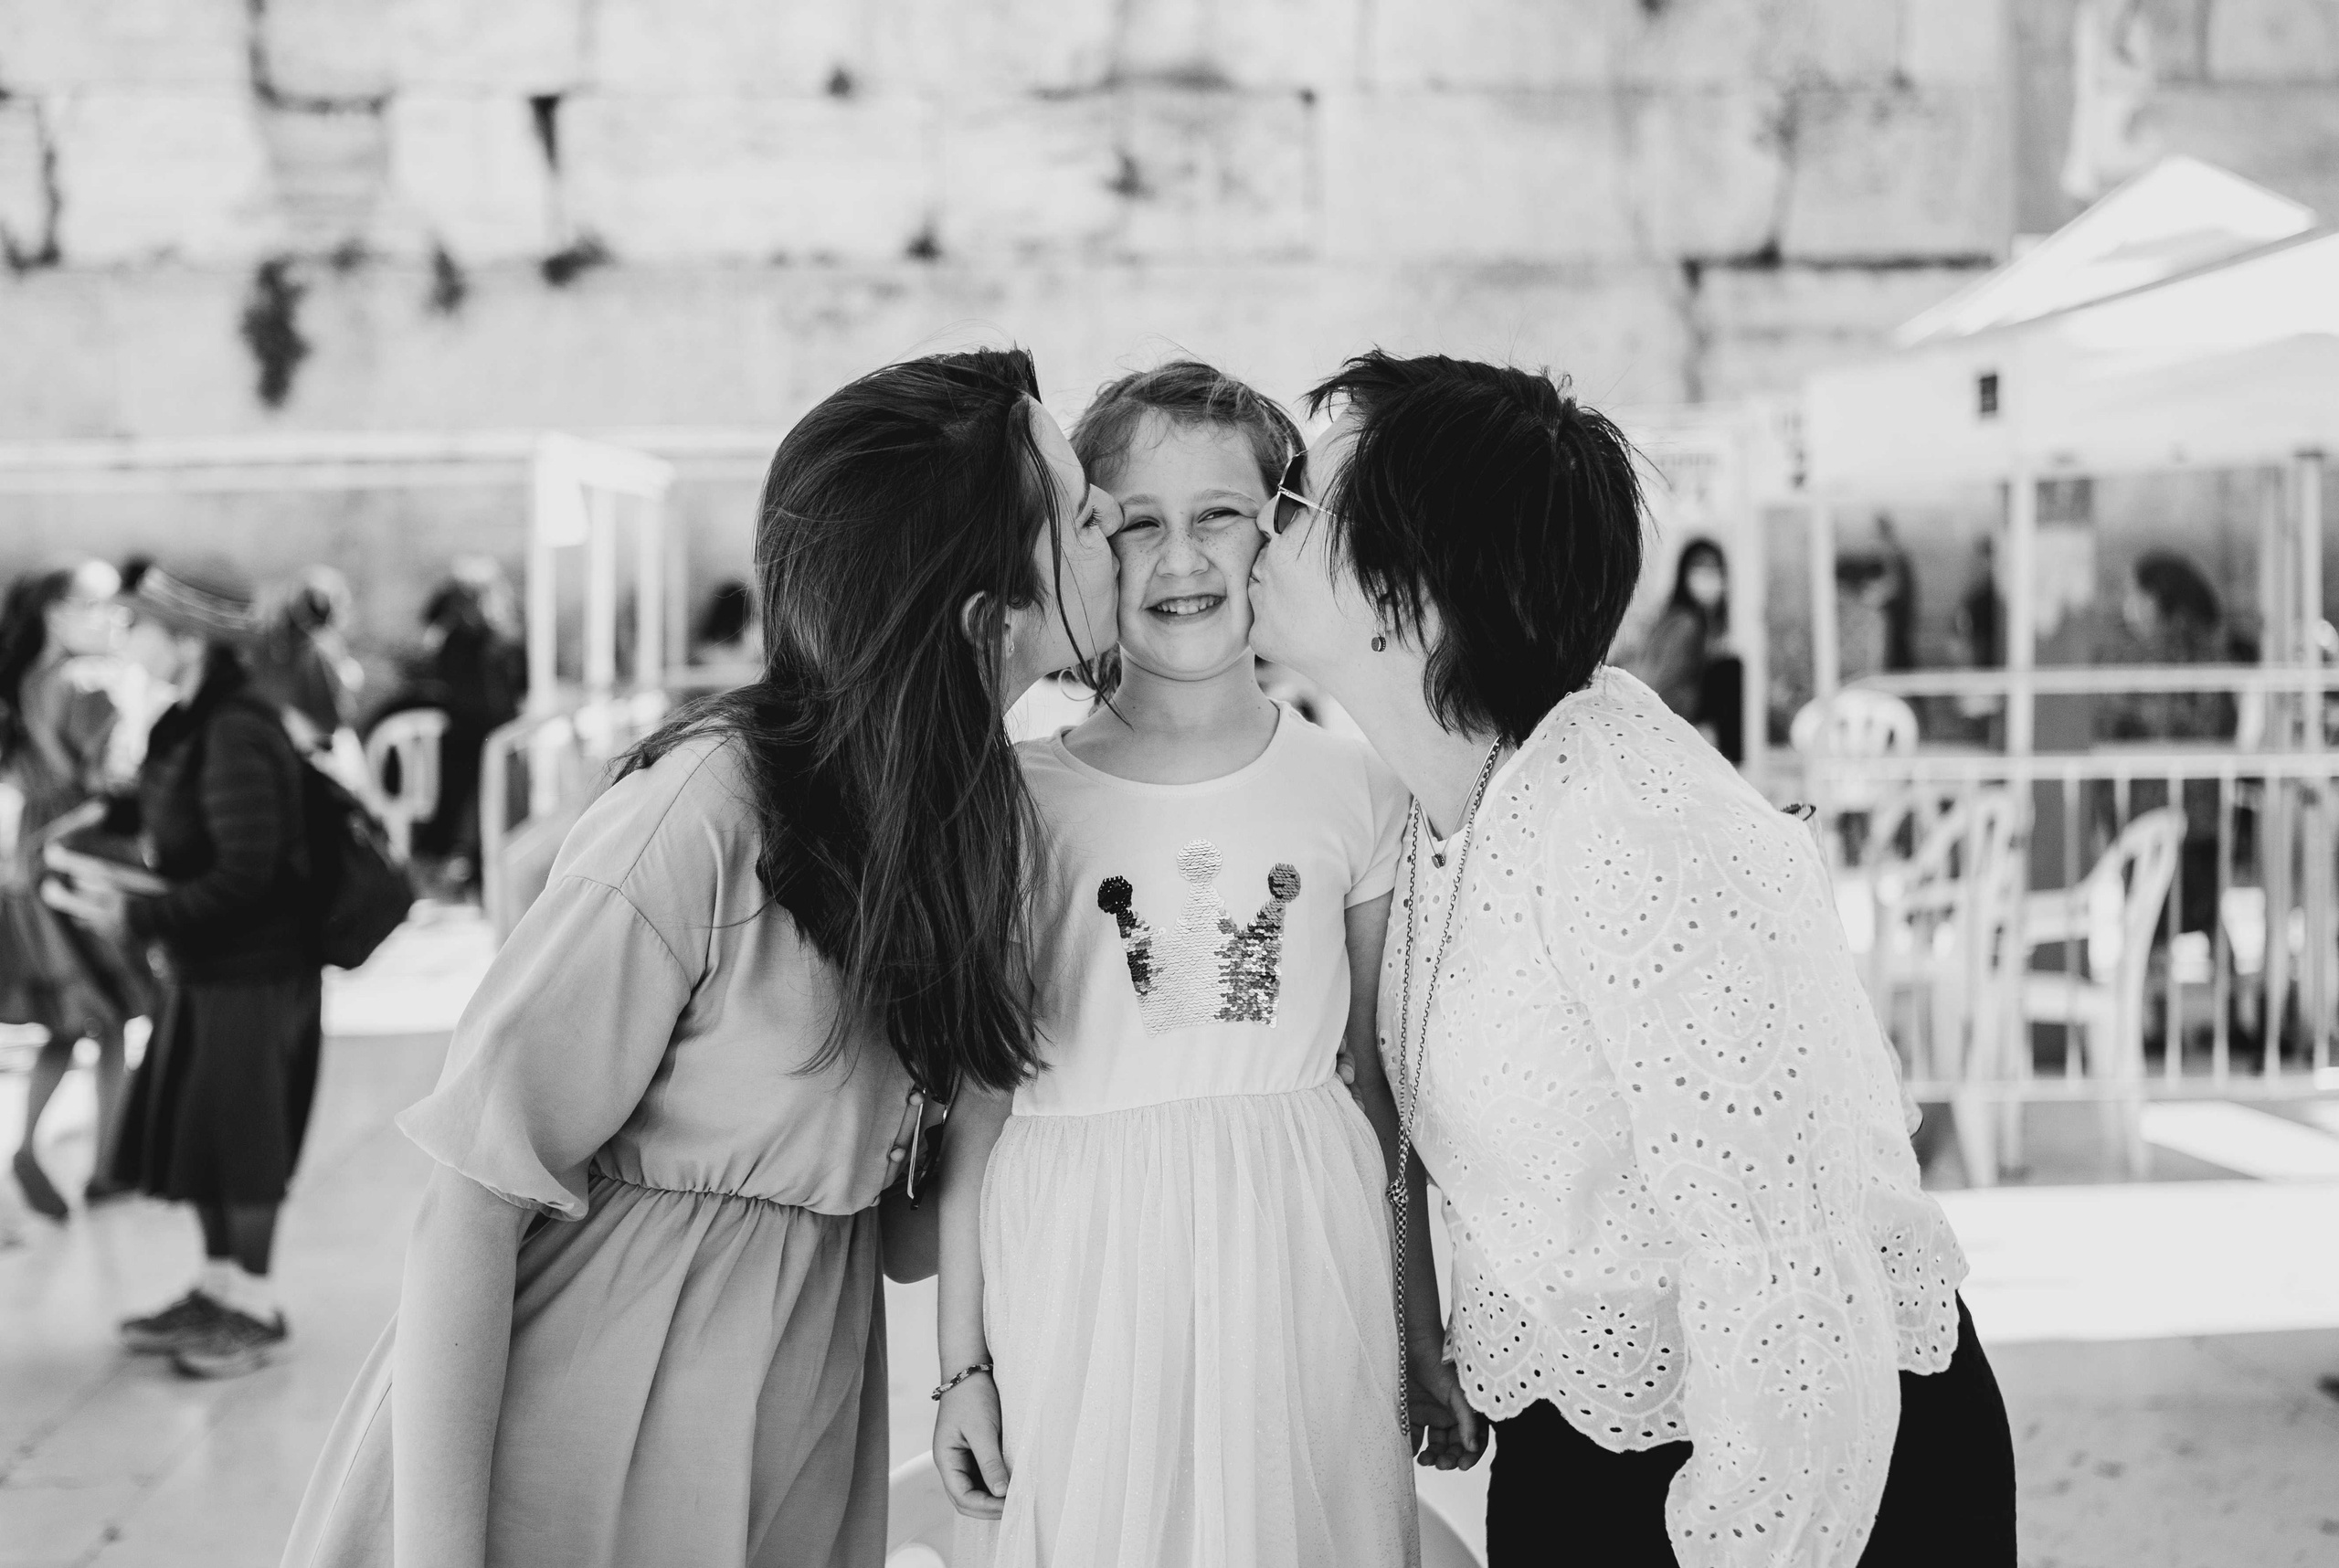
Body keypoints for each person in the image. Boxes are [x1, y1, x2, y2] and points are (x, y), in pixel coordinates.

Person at [279, 347, 1122, 1568]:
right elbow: (467, 1199)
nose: (1117, 532)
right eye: (1088, 518)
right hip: (568, 1431)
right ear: (988, 616)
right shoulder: (706, 813)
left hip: (795, 1427)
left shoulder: (975, 827)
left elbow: (903, 1232)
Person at [1247, 352, 2014, 1567]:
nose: (1261, 522)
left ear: (1412, 596)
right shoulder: (1429, 809)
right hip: (1581, 1439)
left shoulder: (1640, 832)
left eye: (1300, 505)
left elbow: (1793, 1299)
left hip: (1800, 1465)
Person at [933, 363, 1474, 1565]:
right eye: (1137, 526)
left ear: (1277, 533)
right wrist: (960, 1361)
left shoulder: (1354, 783)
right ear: (1086, 550)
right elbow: (977, 1109)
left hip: (1300, 1251)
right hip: (1081, 1263)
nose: (1181, 559)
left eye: (1219, 516)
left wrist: (1418, 1327)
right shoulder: (1020, 800)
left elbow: (1382, 1088)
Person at [44, 563, 322, 1380]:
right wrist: (99, 819)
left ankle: (257, 1308)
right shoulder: (189, 722)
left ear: (189, 638)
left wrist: (134, 914)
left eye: (142, 626)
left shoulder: (237, 727)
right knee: (205, 1135)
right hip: (206, 968)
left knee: (244, 1141)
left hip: (256, 972)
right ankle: (217, 1289)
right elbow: (169, 807)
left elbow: (247, 874)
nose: (128, 640)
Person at [0, 561, 152, 1218]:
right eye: (98, 606)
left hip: (35, 854)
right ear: (54, 615)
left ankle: (34, 1147)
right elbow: (116, 782)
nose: (114, 618)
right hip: (89, 855)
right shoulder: (95, 684)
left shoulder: (25, 681)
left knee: (70, 1021)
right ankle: (109, 1164)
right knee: (115, 1016)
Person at [1625, 538, 1741, 761]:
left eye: (1714, 567)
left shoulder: (1688, 622)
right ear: (1684, 572)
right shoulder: (1687, 623)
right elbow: (1662, 685)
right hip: (1672, 733)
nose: (1708, 575)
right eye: (1700, 566)